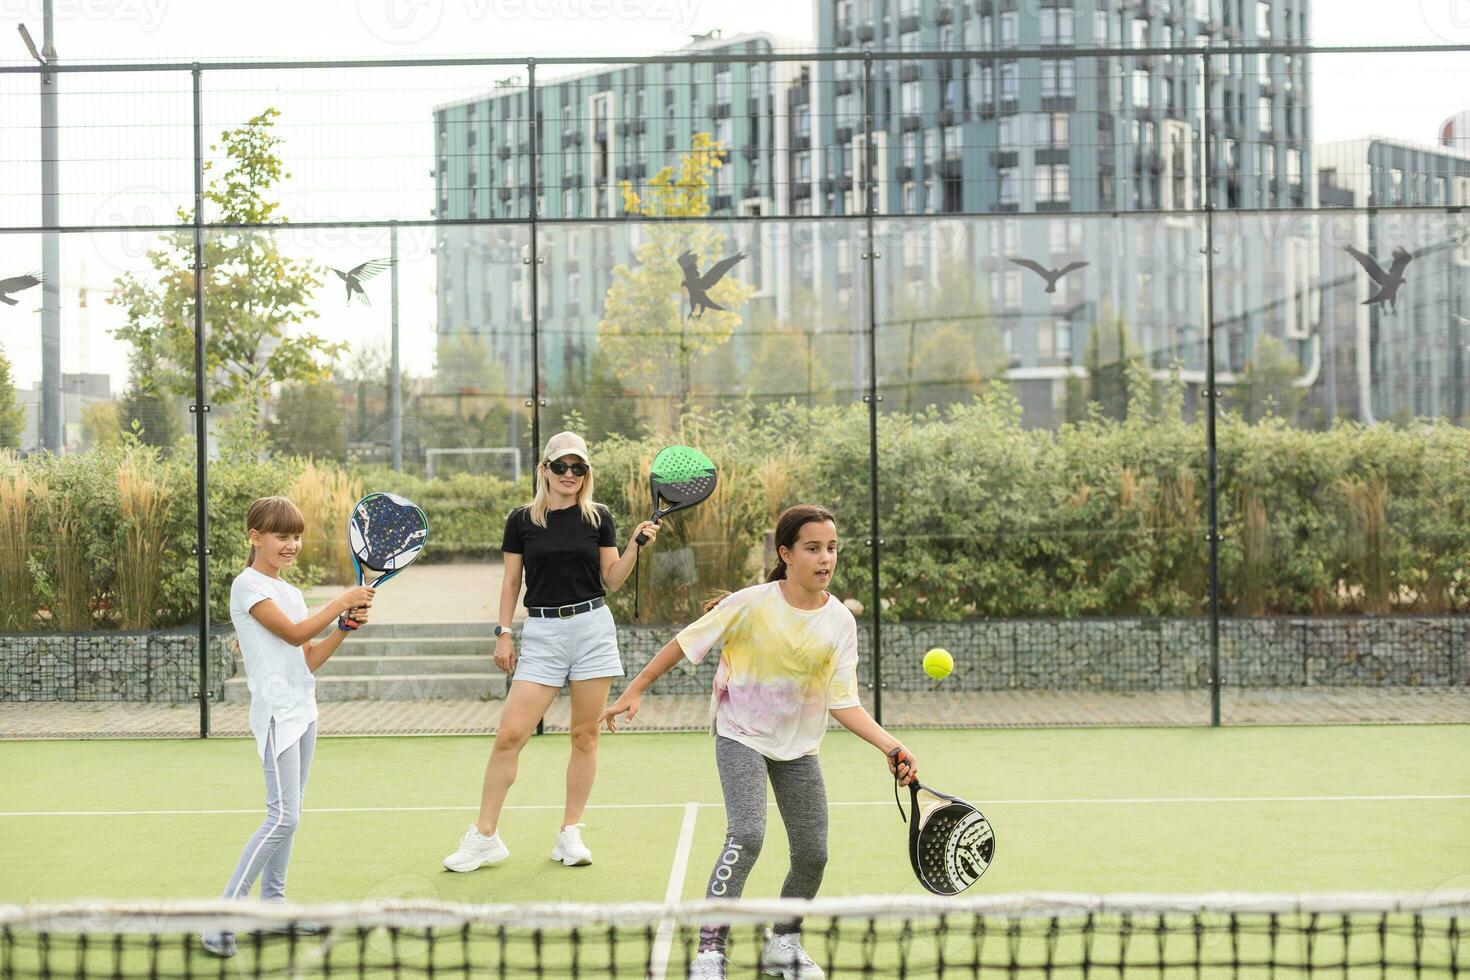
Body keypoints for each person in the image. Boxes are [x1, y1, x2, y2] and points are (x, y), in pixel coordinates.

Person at [600, 504, 918, 980]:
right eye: (813, 548)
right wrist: (637, 687)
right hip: (740, 734)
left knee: (813, 853)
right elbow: (686, 642)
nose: (825, 558)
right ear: (786, 553)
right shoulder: (751, 603)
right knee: (747, 834)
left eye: (831, 548)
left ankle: (783, 943)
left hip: (798, 747)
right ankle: (710, 949)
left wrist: (890, 745)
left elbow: (843, 701)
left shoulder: (840, 623)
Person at [444, 431, 660, 872]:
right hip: (541, 632)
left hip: (592, 629)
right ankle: (484, 837)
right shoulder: (522, 519)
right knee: (510, 734)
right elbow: (510, 583)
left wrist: (636, 545)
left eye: (578, 468)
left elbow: (613, 579)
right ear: (544, 469)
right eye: (560, 466)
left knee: (585, 734)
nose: (569, 475)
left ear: (586, 474)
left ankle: (570, 833)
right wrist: (504, 633)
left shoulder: (598, 517)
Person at [203, 496, 375, 958]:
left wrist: (343, 625)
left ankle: (273, 910)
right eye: (281, 535)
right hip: (277, 715)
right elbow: (295, 634)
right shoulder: (247, 585)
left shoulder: (292, 594)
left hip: (305, 712)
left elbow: (308, 656)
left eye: (296, 536)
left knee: (289, 820)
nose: (291, 544)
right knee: (283, 816)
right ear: (255, 537)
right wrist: (343, 598)